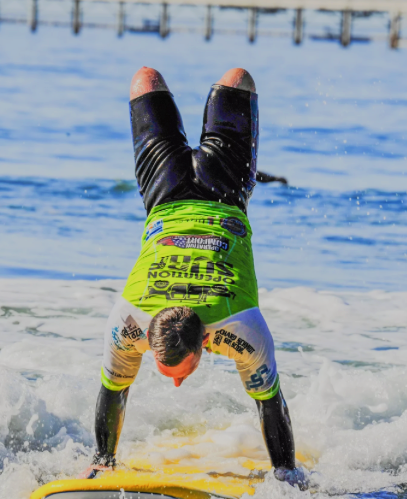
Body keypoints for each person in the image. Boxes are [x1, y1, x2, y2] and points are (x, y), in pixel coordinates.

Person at [80, 67, 306, 490]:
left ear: (206, 340)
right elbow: (267, 401)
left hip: (171, 197)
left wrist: (287, 474)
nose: (180, 382)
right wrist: (103, 461)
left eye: (180, 372)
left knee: (152, 79)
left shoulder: (241, 324)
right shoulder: (129, 322)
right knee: (228, 79)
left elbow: (269, 403)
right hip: (216, 189)